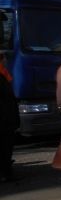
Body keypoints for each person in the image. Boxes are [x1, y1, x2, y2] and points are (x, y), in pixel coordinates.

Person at [0, 52, 19, 182]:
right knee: (5, 148)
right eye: (5, 59)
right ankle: (5, 173)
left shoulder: (4, 74)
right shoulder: (2, 76)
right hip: (4, 120)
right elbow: (8, 100)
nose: (6, 61)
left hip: (6, 119)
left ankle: (6, 172)